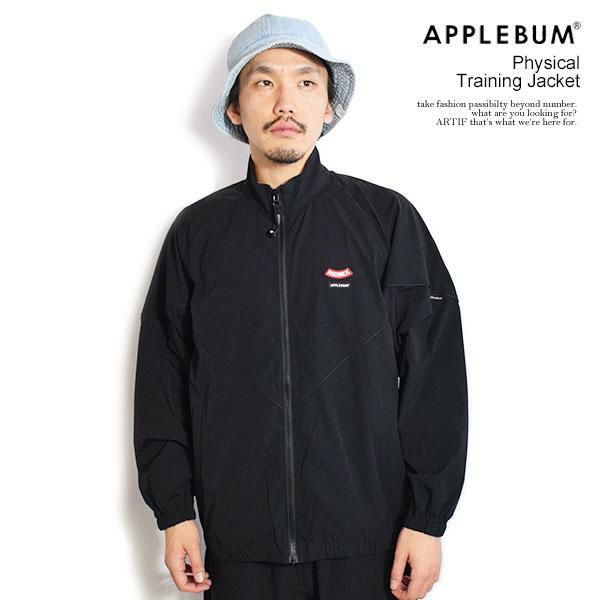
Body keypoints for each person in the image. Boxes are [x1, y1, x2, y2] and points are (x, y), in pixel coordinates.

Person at [133, 13, 469, 600]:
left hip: (368, 547)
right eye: (264, 81)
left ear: (329, 107)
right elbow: (162, 380)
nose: (285, 101)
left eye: (306, 82)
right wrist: (174, 511)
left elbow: (433, 375)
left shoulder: (385, 220)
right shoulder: (197, 233)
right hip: (237, 550)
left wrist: (427, 518)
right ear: (235, 108)